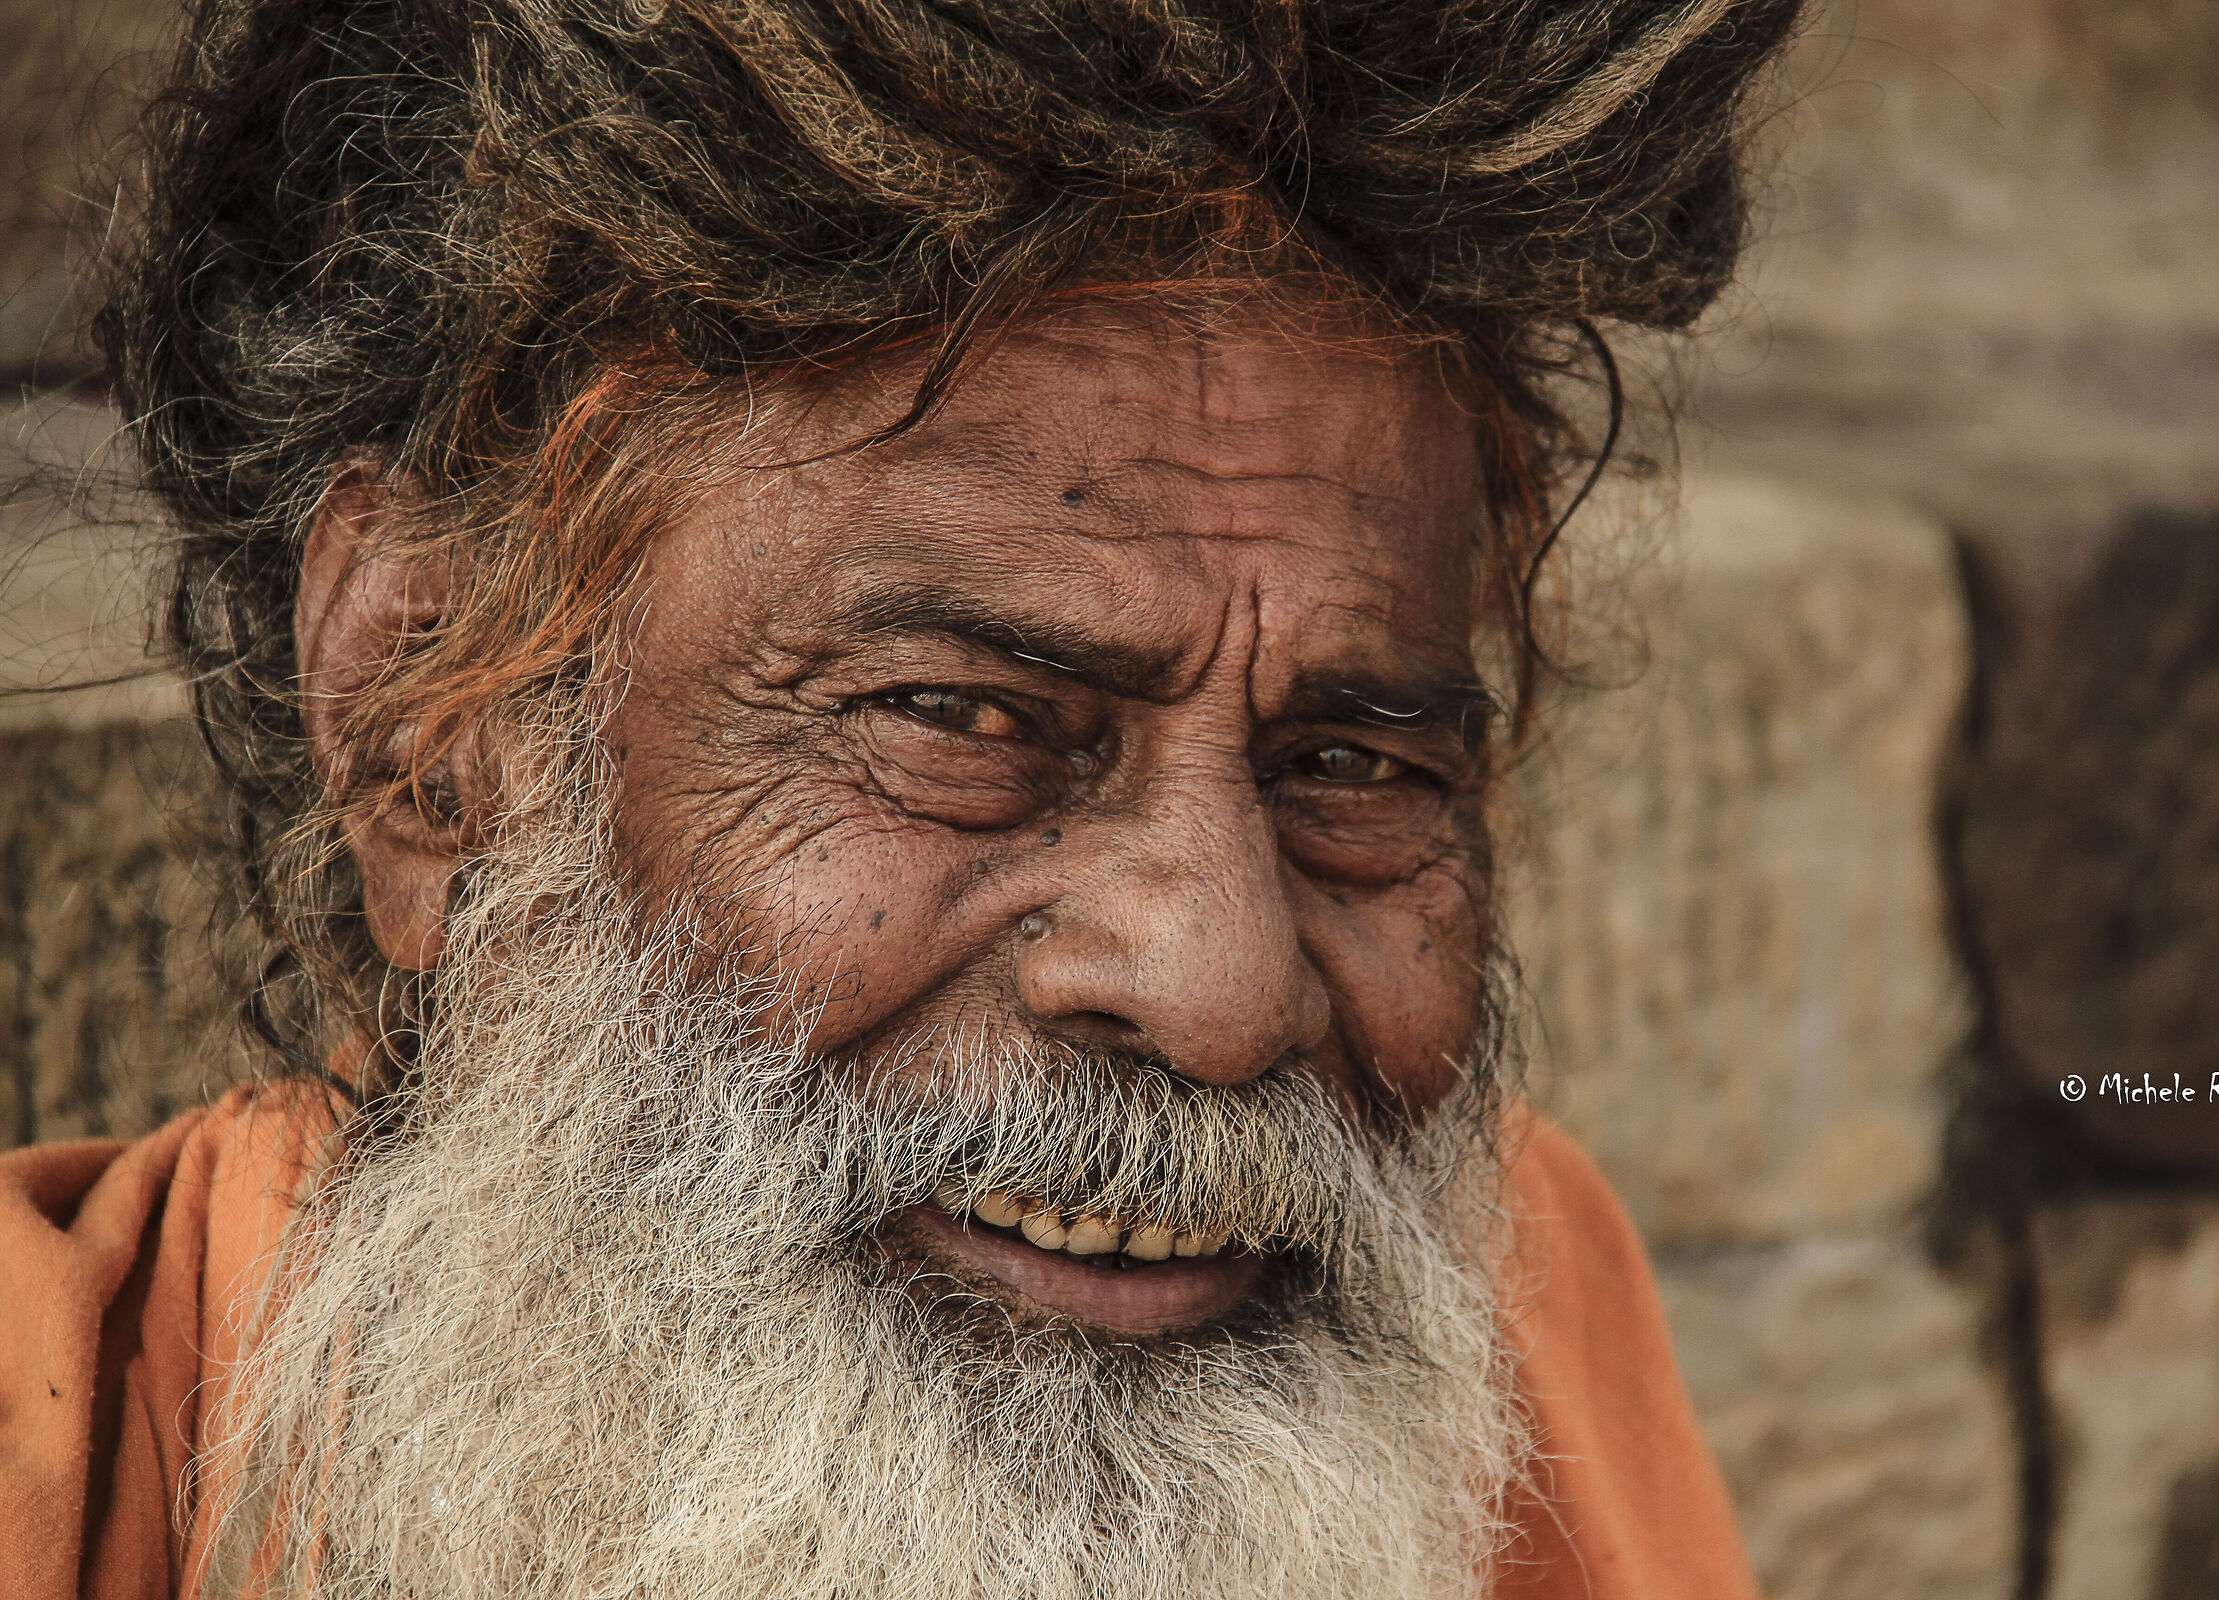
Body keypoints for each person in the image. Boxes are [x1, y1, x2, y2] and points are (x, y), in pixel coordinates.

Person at [0, 1, 1802, 1595]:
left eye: (1350, 766)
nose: (1222, 987)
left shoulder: (1523, 1304)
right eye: (960, 719)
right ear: (424, 723)